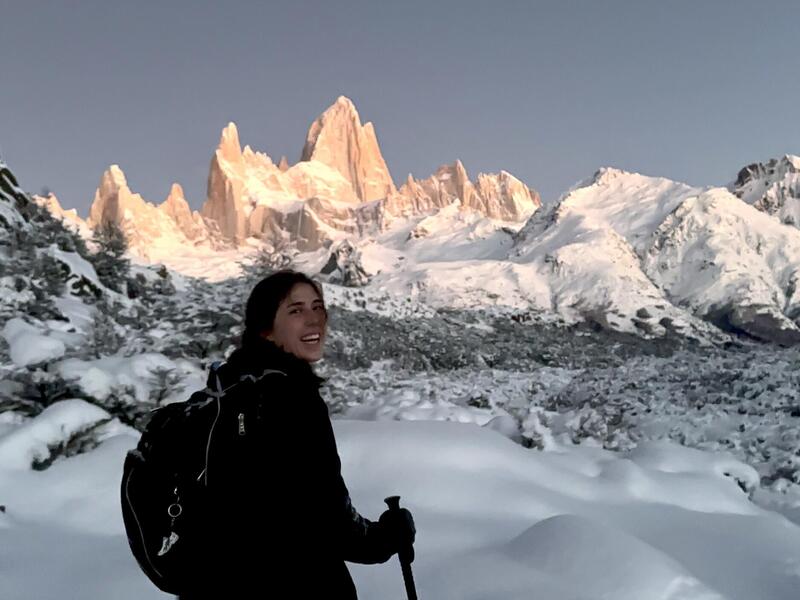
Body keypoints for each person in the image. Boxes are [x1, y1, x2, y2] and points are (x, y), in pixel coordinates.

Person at [178, 269, 415, 599]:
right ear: (266, 329)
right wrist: (389, 537)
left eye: (318, 307)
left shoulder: (229, 385)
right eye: (296, 310)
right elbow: (330, 521)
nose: (314, 320)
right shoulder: (292, 397)